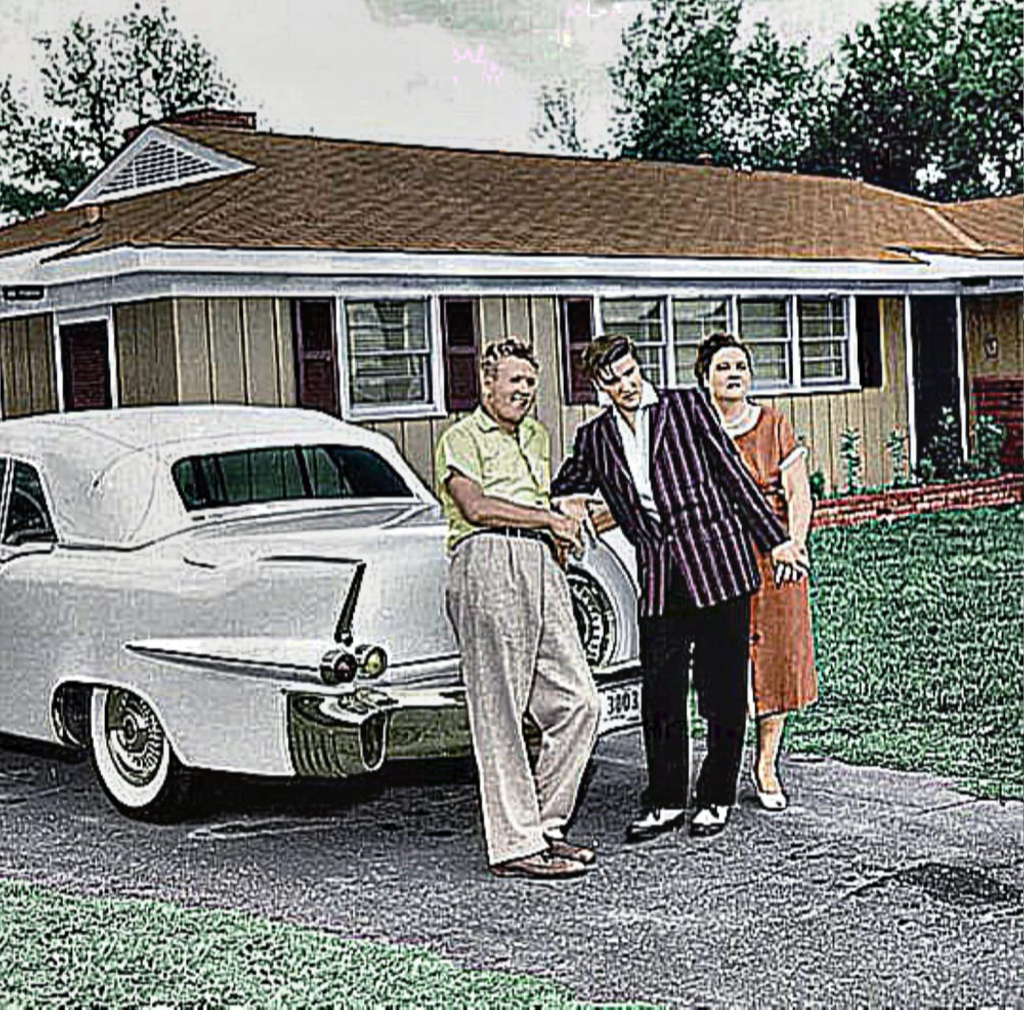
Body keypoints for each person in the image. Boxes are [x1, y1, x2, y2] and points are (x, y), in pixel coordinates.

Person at [551, 335, 806, 840]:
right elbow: (568, 483)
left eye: (630, 373)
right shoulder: (595, 437)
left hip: (717, 564)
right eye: (613, 379)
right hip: (660, 576)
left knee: (722, 689)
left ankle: (715, 795)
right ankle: (665, 800)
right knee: (662, 692)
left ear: (638, 368)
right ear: (599, 386)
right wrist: (571, 503)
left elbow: (734, 477)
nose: (626, 385)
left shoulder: (686, 407)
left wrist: (777, 541)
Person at [435, 336, 601, 880]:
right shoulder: (460, 437)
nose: (524, 391)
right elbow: (476, 507)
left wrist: (561, 526)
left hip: (540, 562)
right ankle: (513, 845)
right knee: (500, 710)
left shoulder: (537, 435)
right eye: (514, 381)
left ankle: (546, 826)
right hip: (487, 558)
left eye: (531, 382)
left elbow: (538, 501)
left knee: (579, 701)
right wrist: (549, 520)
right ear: (487, 383)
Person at [695, 332, 817, 811]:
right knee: (725, 661)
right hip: (717, 558)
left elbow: (798, 493)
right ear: (705, 378)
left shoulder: (773, 423)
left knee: (778, 660)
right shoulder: (696, 432)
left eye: (741, 366)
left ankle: (766, 763)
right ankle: (723, 760)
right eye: (723, 366)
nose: (734, 374)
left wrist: (795, 544)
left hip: (775, 555)